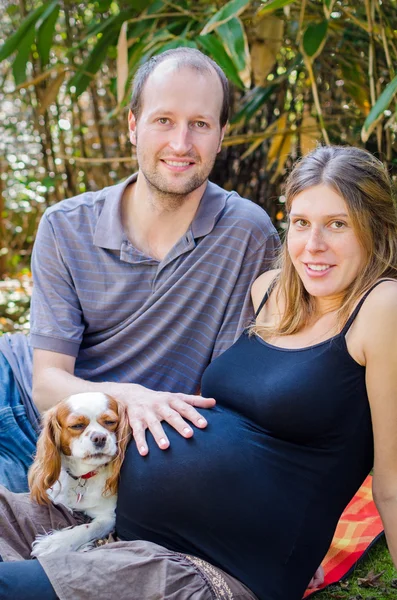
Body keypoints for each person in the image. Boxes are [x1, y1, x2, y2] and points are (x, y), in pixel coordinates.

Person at [1, 145, 396, 600]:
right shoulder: (269, 292)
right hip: (107, 517)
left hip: (204, 569)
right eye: (301, 222)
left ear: (375, 228)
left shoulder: (382, 307)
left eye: (338, 224)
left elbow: (392, 480)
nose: (313, 245)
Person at [0, 47, 279, 493]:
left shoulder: (246, 235)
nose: (181, 143)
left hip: (90, 446)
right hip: (18, 392)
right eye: (163, 120)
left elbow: (227, 395)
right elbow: (46, 381)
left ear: (222, 134)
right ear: (134, 125)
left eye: (200, 124)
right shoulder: (65, 226)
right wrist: (127, 397)